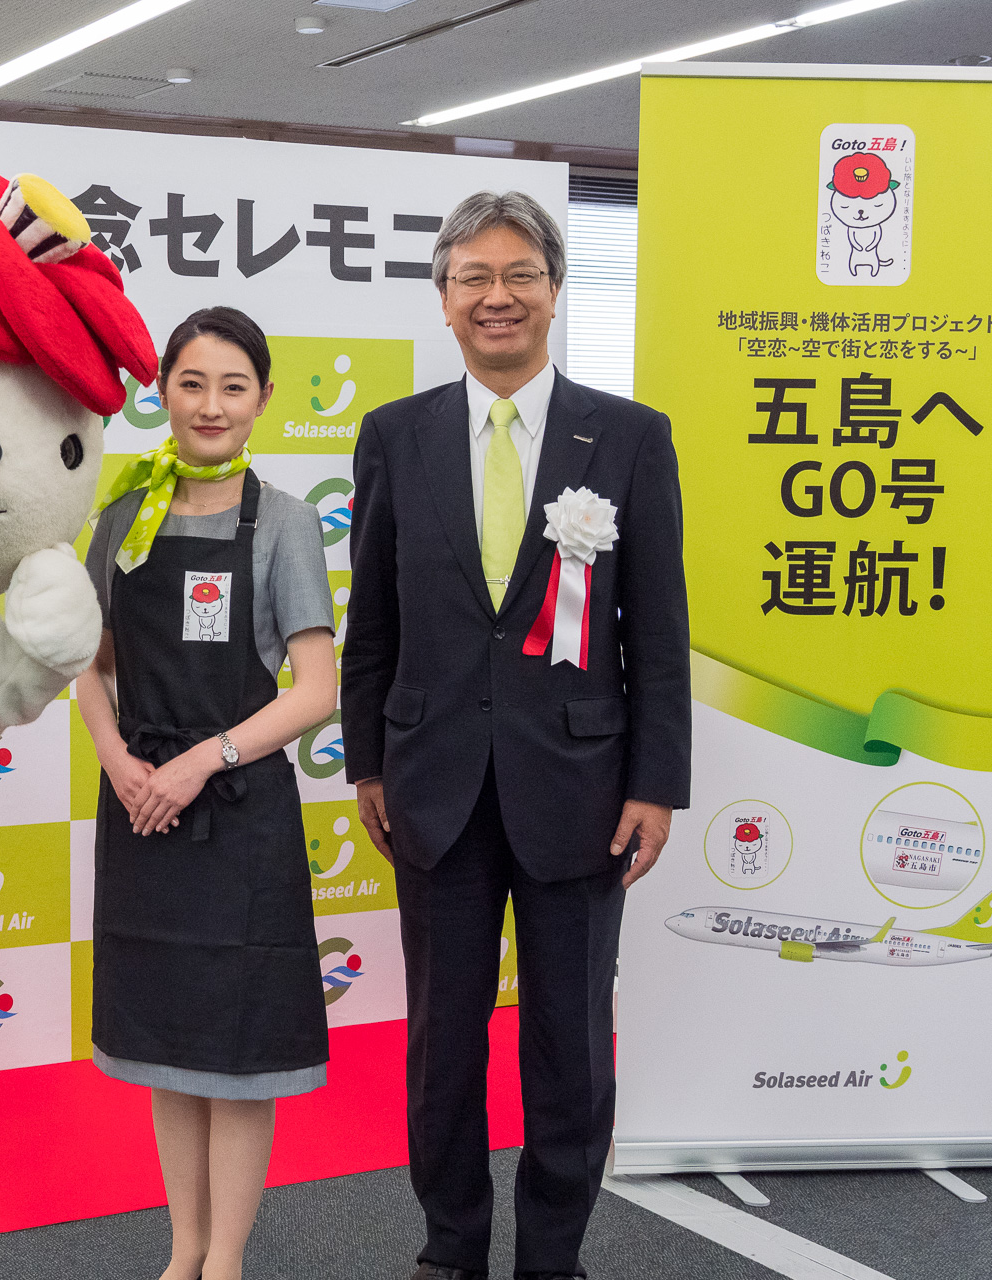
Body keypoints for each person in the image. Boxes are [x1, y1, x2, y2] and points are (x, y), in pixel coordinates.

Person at [342, 191, 690, 1280]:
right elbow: (374, 623)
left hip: (580, 789)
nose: (498, 296)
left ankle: (551, 1253)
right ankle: (451, 1247)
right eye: (473, 278)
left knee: (571, 1051)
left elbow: (661, 628)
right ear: (443, 299)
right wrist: (364, 759)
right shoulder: (395, 434)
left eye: (519, 275)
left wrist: (657, 782)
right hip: (432, 783)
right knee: (441, 1047)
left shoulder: (628, 435)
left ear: (553, 289)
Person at [79, 306, 339, 1280]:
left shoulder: (282, 521)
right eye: (192, 382)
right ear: (163, 392)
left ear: (263, 399)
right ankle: (181, 1249)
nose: (212, 404)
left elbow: (316, 687)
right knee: (171, 1044)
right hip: (141, 808)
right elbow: (91, 664)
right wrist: (118, 760)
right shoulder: (126, 508)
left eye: (234, 385)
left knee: (237, 1052)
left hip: (235, 816)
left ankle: (224, 1258)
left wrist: (199, 760)